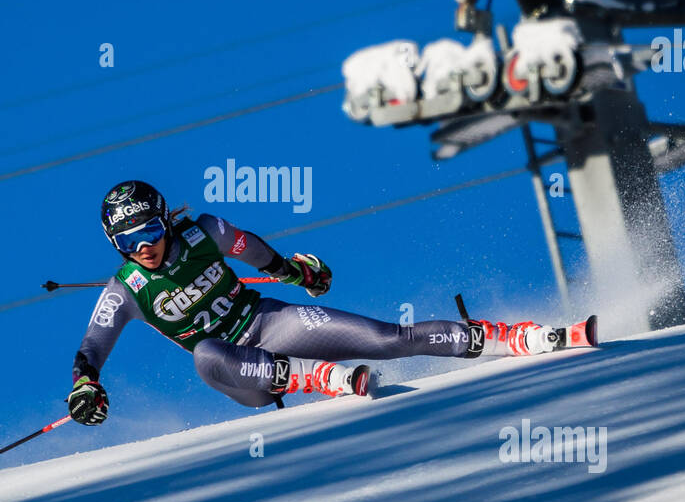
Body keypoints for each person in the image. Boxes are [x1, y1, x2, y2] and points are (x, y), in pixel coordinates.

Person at [67, 180, 593, 425]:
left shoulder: (206, 232)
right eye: (128, 242)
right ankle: (318, 378)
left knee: (391, 338)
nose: (144, 247)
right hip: (241, 373)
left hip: (270, 323)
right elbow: (93, 346)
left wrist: (299, 273)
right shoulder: (126, 289)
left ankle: (514, 337)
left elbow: (253, 249)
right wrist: (86, 385)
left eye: (150, 231)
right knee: (205, 353)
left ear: (165, 219)